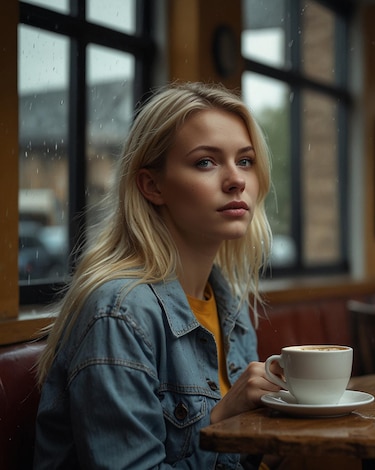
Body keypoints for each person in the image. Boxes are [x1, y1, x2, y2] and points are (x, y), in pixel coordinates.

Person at [34, 82, 283, 469]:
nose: (237, 180)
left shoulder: (228, 306)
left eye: (245, 161)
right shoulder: (119, 315)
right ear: (152, 185)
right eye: (206, 162)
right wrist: (222, 423)